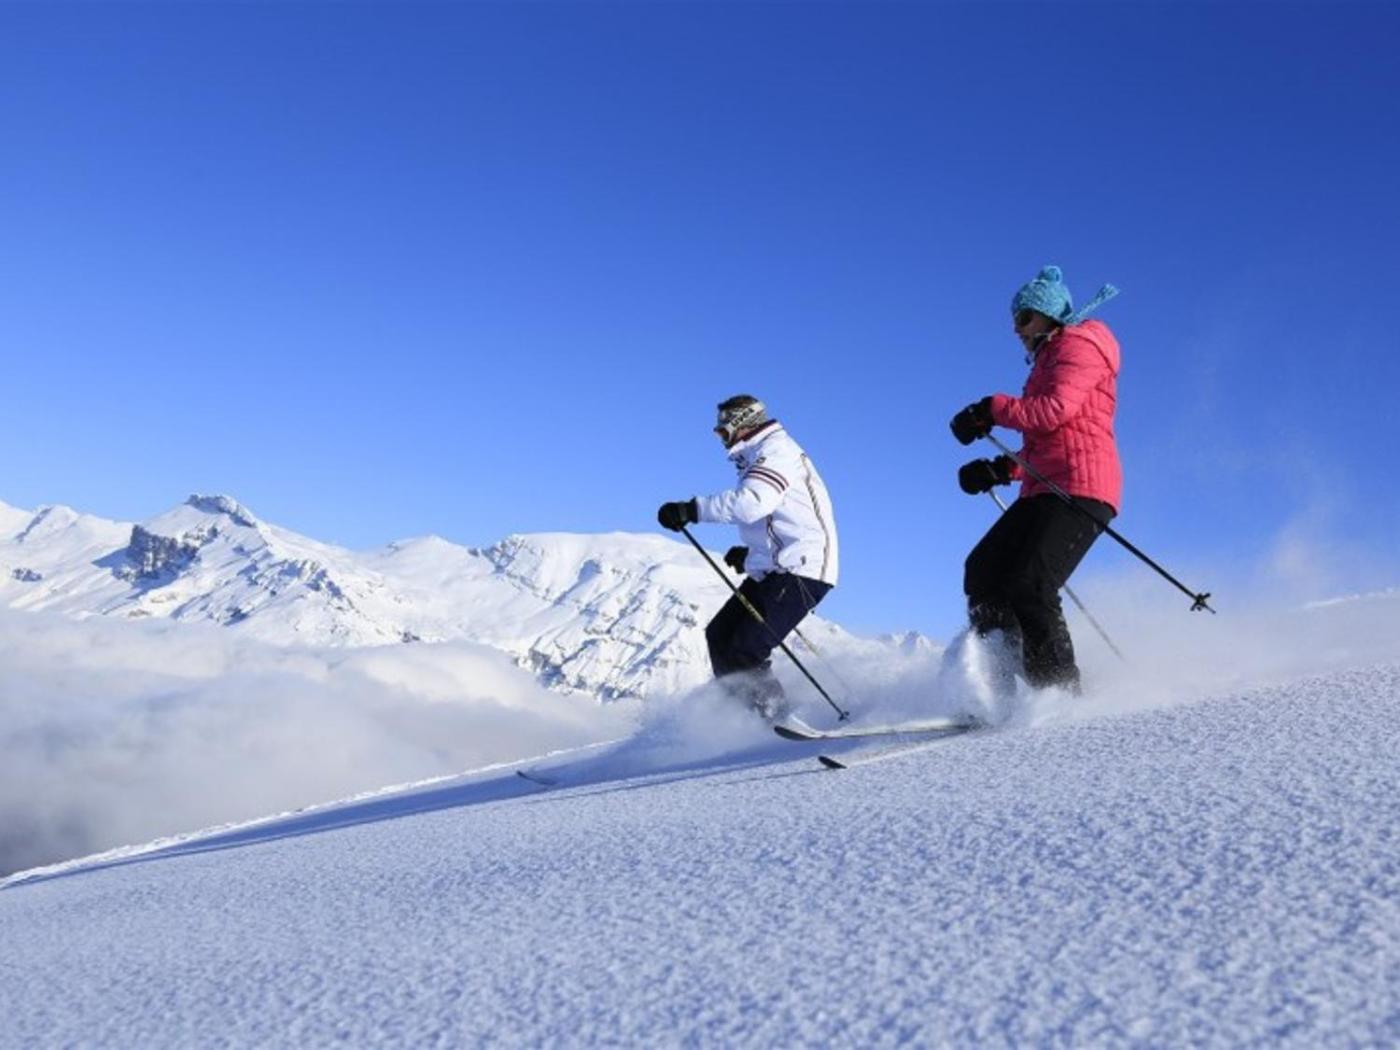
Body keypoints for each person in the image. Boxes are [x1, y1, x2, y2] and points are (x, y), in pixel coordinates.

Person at [949, 265, 1121, 694]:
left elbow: (1053, 411)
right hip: (1046, 486)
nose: (1017, 329)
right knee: (983, 570)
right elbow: (1049, 441)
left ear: (1049, 316)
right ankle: (1002, 688)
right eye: (1015, 320)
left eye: (1024, 317)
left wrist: (991, 409)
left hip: (1082, 488)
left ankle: (1058, 695)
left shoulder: (1080, 346)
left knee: (1031, 583)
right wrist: (1001, 469)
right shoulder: (1047, 360)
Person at [656, 395, 839, 720]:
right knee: (720, 637)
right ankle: (744, 721)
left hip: (802, 568)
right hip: (777, 567)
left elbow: (753, 502)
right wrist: (754, 555)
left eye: (723, 430)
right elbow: (776, 518)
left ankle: (776, 720)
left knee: (746, 648)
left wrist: (691, 509)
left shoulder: (776, 452)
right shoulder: (756, 456)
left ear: (742, 423)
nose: (719, 437)